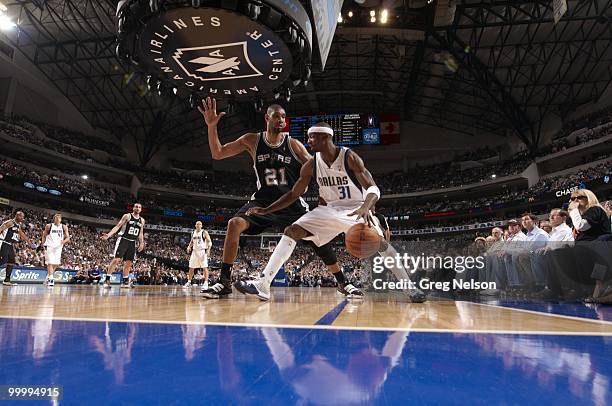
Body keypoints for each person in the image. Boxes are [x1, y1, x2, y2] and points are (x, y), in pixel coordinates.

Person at [235, 122, 426, 302]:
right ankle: (264, 284)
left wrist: (366, 206)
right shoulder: (311, 164)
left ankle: (409, 287)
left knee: (381, 244)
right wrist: (267, 209)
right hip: (328, 210)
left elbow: (373, 188)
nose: (308, 141)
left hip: (356, 209)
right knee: (292, 230)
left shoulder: (349, 157)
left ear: (325, 137)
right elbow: (294, 194)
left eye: (312, 137)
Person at [198, 97, 362, 298]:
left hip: (291, 203)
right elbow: (218, 153)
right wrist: (211, 126)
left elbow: (318, 169)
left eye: (284, 117)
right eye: (277, 116)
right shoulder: (252, 140)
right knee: (234, 224)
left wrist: (324, 195)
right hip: (263, 201)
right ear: (267, 118)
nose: (282, 120)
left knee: (318, 242)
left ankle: (343, 283)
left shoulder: (293, 144)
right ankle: (224, 283)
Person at [100, 203, 145, 289]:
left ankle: (125, 282)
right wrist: (109, 235)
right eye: (136, 206)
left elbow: (141, 232)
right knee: (116, 260)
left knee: (128, 263)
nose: (138, 208)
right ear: (133, 208)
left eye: (139, 207)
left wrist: (141, 242)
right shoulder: (127, 216)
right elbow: (118, 226)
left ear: (141, 209)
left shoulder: (142, 220)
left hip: (132, 242)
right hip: (123, 239)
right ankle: (107, 280)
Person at [0, 211, 32, 286]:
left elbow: (21, 233)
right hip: (4, 242)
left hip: (10, 245)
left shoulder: (18, 225)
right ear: (17, 216)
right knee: (3, 260)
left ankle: (7, 280)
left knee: (11, 261)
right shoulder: (10, 222)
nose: (22, 218)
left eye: (23, 216)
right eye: (21, 216)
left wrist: (29, 242)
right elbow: (1, 228)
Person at [40, 213, 70, 287]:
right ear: (54, 219)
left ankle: (48, 276)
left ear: (60, 219)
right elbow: (44, 236)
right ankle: (51, 279)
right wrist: (43, 244)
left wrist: (64, 241)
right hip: (49, 245)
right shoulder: (49, 226)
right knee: (50, 262)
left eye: (58, 218)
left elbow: (68, 237)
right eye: (56, 218)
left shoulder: (64, 227)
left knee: (56, 264)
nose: (57, 219)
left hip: (59, 247)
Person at [185, 221, 211, 289]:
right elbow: (191, 241)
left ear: (201, 226)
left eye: (199, 224)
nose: (198, 225)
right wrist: (189, 246)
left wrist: (208, 249)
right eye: (197, 224)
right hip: (194, 251)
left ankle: (206, 283)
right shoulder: (193, 232)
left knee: (204, 267)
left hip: (202, 251)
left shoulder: (204, 232)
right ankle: (189, 281)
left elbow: (209, 241)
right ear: (195, 225)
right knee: (191, 267)